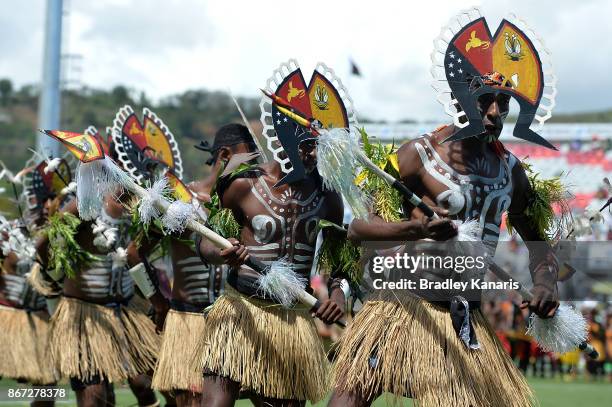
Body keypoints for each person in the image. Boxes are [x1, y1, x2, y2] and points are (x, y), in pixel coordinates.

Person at [329, 8, 562, 406]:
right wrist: (417, 230)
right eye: (485, 99)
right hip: (401, 310)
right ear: (462, 98)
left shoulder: (511, 173)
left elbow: (539, 245)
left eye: (503, 102)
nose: (494, 112)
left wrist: (543, 285)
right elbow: (359, 230)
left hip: (466, 320)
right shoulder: (417, 155)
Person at [194, 61, 353, 406]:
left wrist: (338, 296)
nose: (313, 153)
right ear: (284, 137)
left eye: (319, 145)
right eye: (306, 144)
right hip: (240, 313)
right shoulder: (243, 185)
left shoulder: (328, 198)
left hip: (291, 321)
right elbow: (205, 243)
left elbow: (342, 263)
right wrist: (223, 252)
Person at [140, 123, 258, 406]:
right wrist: (156, 300)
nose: (255, 167)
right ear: (226, 155)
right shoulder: (179, 200)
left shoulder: (243, 203)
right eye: (248, 159)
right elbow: (136, 252)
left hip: (232, 320)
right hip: (189, 321)